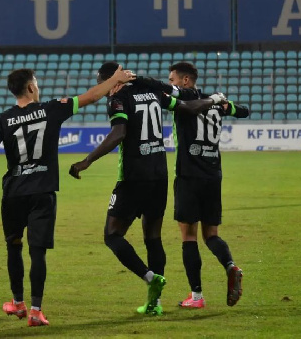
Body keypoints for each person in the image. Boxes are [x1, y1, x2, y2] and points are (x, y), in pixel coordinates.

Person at [0, 66, 135, 327]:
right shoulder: (51, 109)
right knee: (38, 252)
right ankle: (35, 311)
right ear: (31, 87)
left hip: (14, 194)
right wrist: (114, 80)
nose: (38, 87)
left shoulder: (2, 119)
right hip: (42, 192)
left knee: (14, 246)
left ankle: (17, 302)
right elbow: (90, 96)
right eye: (37, 83)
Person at [68, 62, 228, 316]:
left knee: (112, 235)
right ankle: (155, 302)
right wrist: (214, 100)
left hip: (133, 177)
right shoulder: (153, 92)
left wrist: (87, 160)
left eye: (104, 84)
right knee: (152, 237)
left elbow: (119, 133)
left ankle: (149, 277)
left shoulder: (118, 97)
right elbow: (186, 107)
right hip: (159, 175)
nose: (104, 90)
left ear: (113, 81)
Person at [133, 62, 248, 308]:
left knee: (188, 236)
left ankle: (196, 296)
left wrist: (133, 78)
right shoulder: (214, 101)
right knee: (211, 235)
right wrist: (227, 105)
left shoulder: (186, 97)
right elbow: (244, 111)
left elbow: (159, 88)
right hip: (214, 175)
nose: (170, 82)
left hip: (189, 176)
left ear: (186, 81)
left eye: (173, 79)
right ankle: (231, 265)